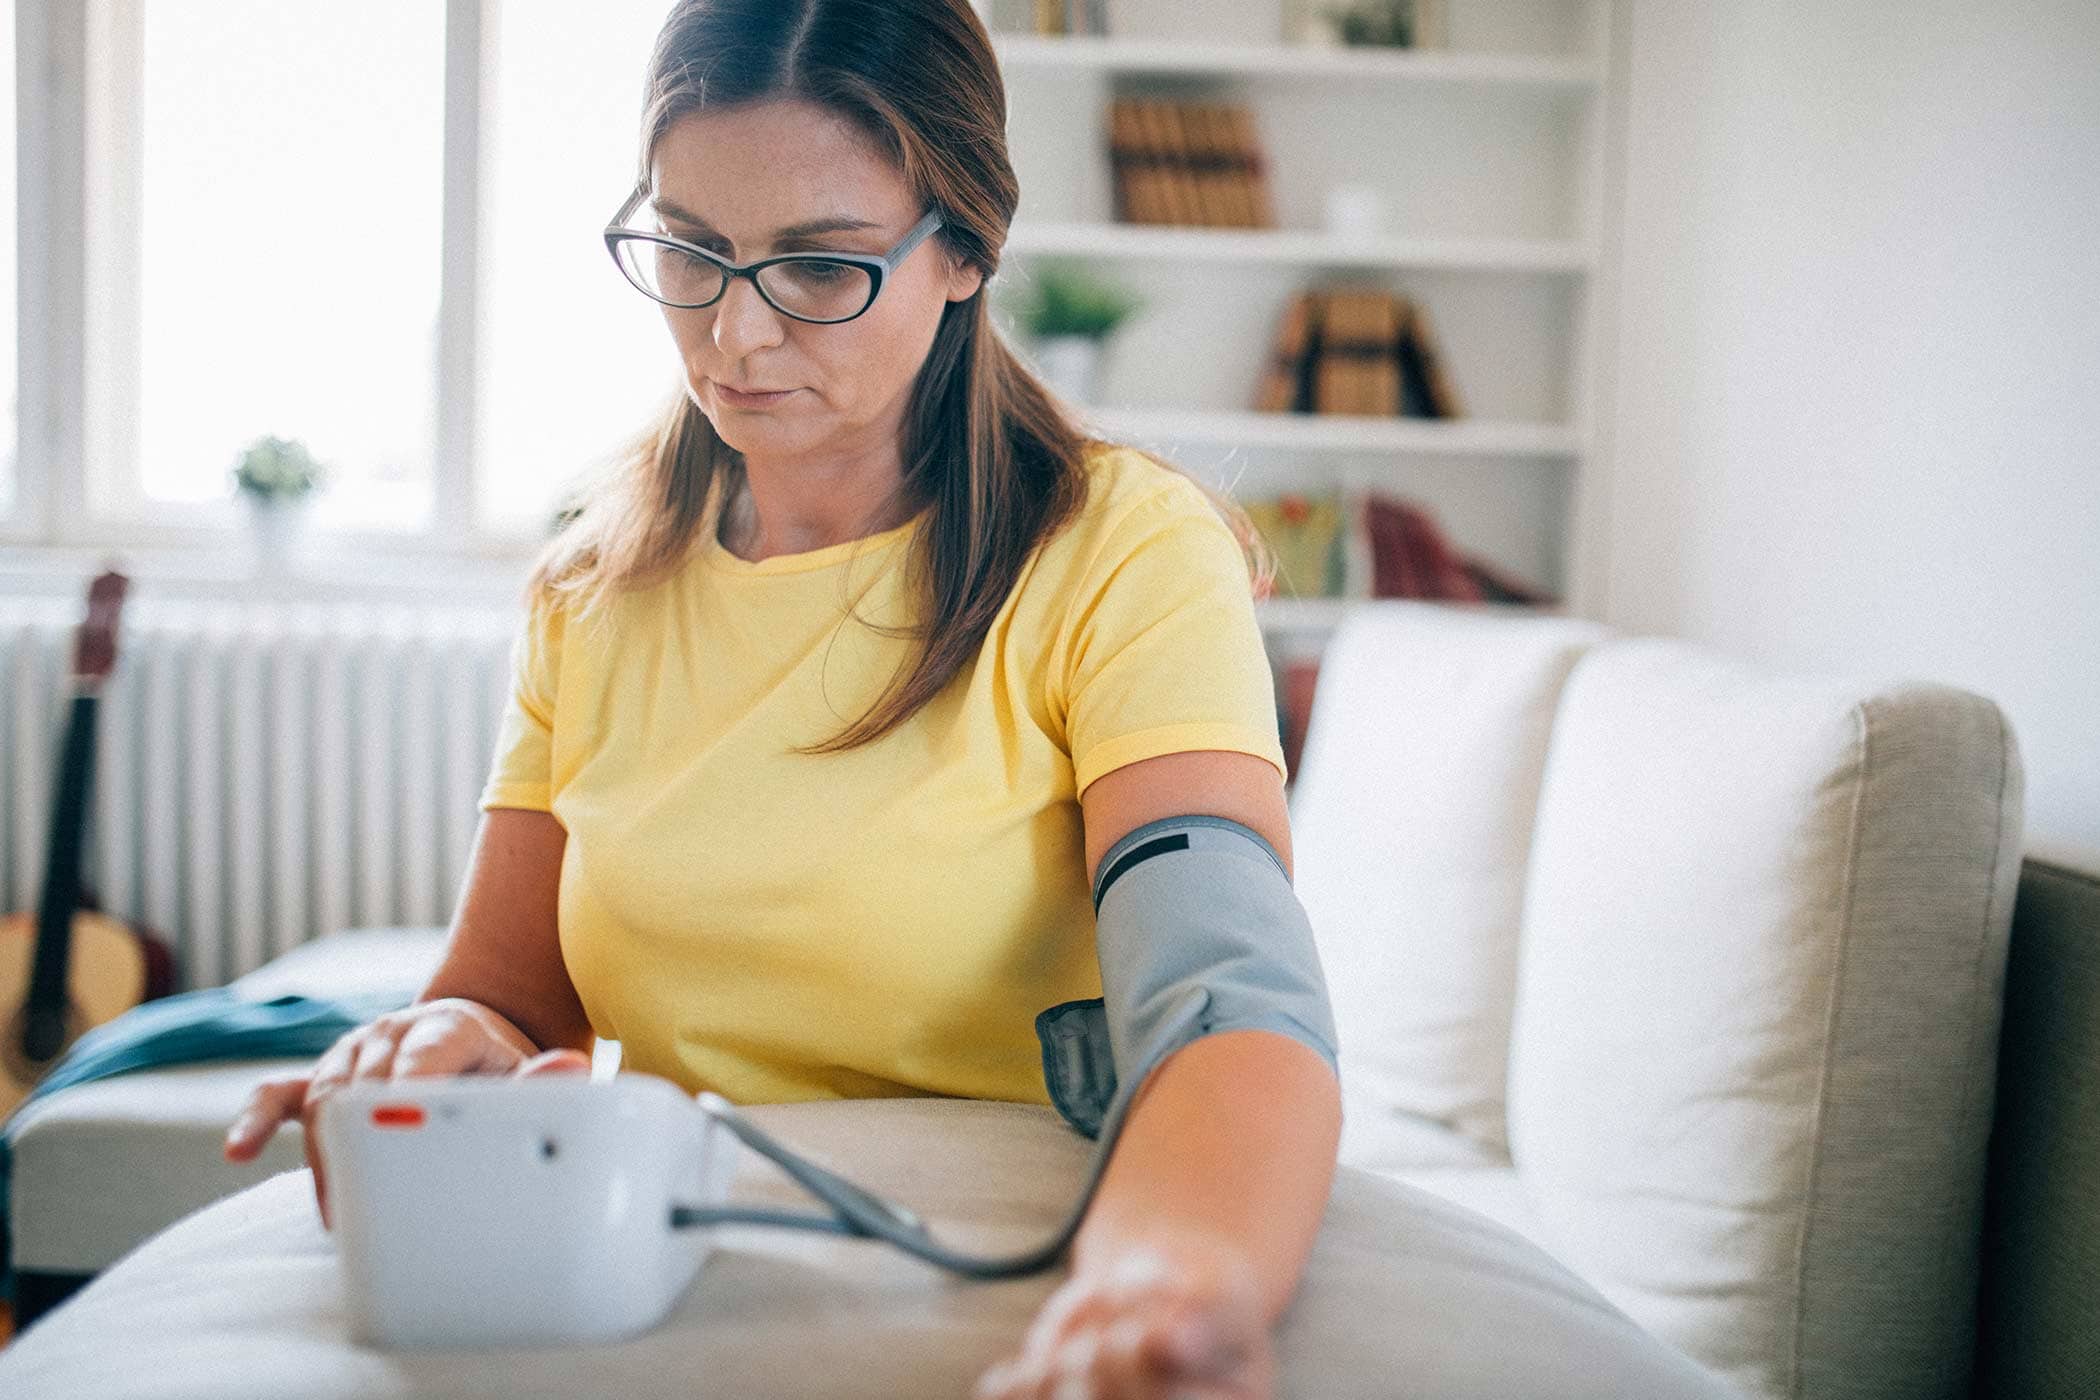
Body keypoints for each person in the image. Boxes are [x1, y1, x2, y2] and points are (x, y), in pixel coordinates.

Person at [223, 2, 1341, 1396]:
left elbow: (1227, 993)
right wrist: (448, 1048)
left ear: (967, 249)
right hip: (662, 1259)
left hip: (999, 1252)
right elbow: (509, 995)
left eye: (819, 266)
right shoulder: (592, 584)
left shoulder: (1124, 550)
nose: (735, 334)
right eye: (690, 251)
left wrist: (1169, 1277)